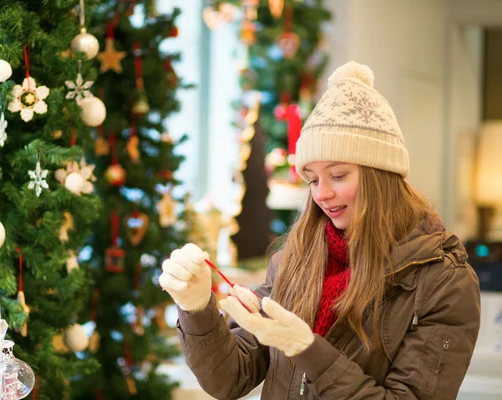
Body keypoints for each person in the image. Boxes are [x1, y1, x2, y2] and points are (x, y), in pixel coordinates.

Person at [159, 61, 481, 399]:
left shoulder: (443, 282)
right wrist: (196, 309)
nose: (322, 194)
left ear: (380, 175)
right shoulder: (292, 261)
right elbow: (230, 380)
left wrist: (309, 350)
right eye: (312, 179)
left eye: (338, 175)